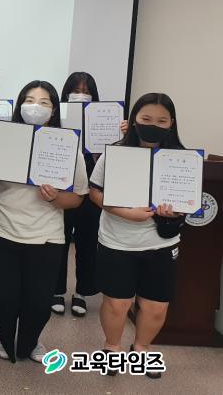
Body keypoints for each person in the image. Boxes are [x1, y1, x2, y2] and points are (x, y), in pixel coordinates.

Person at [0, 80, 88, 363]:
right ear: (19, 105)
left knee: (38, 302)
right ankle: (4, 336)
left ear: (54, 110)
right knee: (2, 298)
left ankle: (30, 341)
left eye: (43, 102)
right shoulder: (0, 138)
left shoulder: (67, 146)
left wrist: (55, 198)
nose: (35, 107)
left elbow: (77, 198)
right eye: (28, 100)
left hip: (45, 234)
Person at [89, 93, 185, 379]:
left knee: (155, 306)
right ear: (133, 121)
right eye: (146, 119)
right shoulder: (116, 153)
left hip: (161, 243)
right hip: (117, 240)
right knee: (116, 303)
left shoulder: (181, 159)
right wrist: (124, 212)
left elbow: (188, 200)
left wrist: (176, 211)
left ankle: (141, 348)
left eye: (161, 121)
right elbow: (95, 193)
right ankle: (112, 347)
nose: (153, 125)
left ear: (171, 123)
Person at [52, 72, 128, 317]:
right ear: (66, 94)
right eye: (76, 91)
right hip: (64, 188)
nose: (81, 95)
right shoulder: (58, 119)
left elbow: (114, 162)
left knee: (87, 241)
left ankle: (82, 292)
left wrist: (122, 138)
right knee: (60, 237)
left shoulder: (105, 122)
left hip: (93, 188)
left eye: (86, 91)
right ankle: (56, 290)